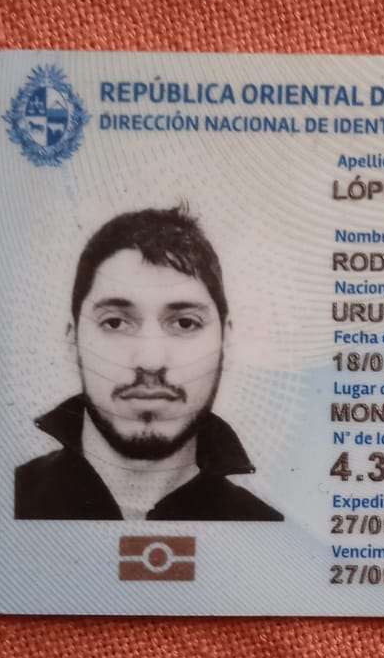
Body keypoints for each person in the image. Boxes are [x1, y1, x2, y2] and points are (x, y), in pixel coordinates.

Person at [14, 205, 284, 521]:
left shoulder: (266, 532)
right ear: (73, 342)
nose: (150, 361)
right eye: (115, 322)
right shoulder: (1, 508)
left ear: (226, 342)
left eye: (185, 323)